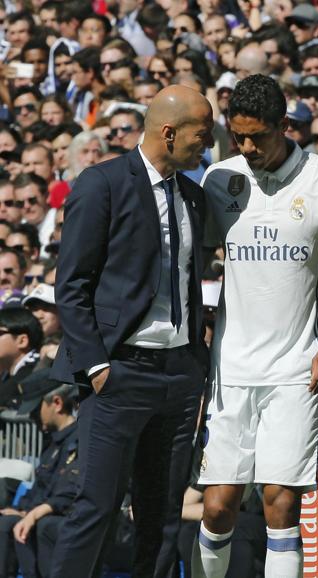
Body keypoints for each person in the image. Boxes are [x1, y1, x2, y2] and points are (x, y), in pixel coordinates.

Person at [192, 74, 318, 578]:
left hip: (296, 367)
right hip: (230, 367)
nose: (246, 147)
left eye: (257, 137)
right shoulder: (219, 179)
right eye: (237, 136)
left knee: (280, 503)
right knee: (217, 506)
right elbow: (194, 265)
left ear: (284, 126)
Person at [49, 84, 214, 578]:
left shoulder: (194, 196)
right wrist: (98, 367)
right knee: (96, 507)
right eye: (200, 135)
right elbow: (72, 284)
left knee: (162, 517)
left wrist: (196, 369)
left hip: (180, 376)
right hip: (121, 372)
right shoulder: (102, 184)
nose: (205, 146)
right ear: (169, 133)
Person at [0, 375, 78, 578]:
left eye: (36, 410)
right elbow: (40, 487)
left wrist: (30, 515)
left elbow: (66, 494)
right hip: (39, 514)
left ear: (57, 403)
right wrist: (18, 510)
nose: (34, 417)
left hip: (59, 519)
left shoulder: (78, 441)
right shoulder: (52, 443)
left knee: (27, 526)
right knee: (6, 519)